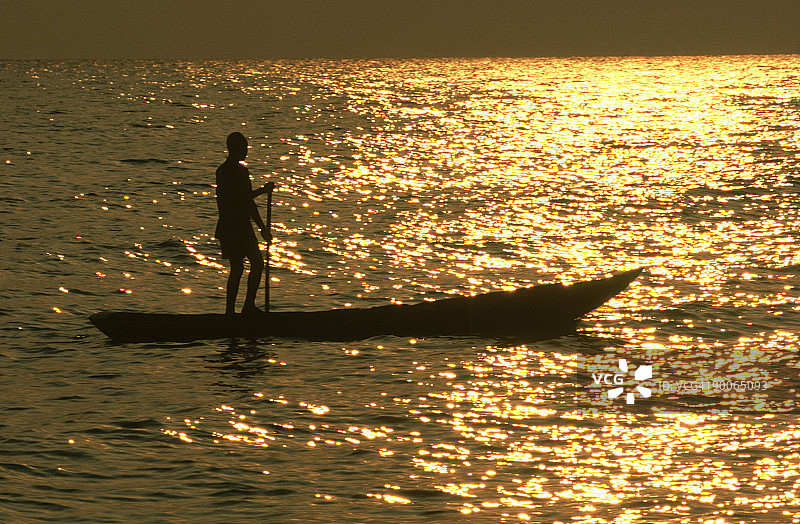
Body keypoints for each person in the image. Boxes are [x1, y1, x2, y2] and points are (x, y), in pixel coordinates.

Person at [215, 132, 274, 315]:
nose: (246, 152)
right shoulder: (225, 172)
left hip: (242, 225)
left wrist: (262, 228)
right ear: (234, 149)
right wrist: (263, 191)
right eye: (244, 148)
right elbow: (242, 199)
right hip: (231, 226)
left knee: (256, 264)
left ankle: (247, 307)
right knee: (239, 267)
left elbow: (248, 203)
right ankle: (230, 311)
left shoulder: (241, 171)